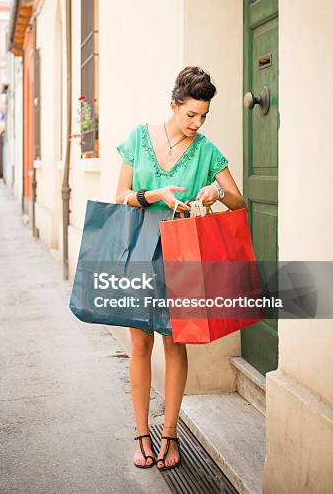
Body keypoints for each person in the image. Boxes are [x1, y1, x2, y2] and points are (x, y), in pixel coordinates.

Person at [115, 66, 246, 471]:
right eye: (191, 114)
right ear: (173, 106)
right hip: (139, 250)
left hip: (184, 256)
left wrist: (216, 191)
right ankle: (141, 434)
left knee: (176, 343)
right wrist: (153, 193)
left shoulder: (206, 150)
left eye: (203, 115)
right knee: (140, 344)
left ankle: (170, 435)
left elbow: (238, 202)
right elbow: (120, 196)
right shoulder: (138, 138)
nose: (197, 123)